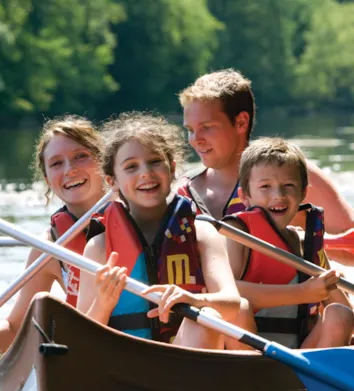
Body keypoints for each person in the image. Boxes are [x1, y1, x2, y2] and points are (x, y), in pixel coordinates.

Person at [77, 113, 257, 350]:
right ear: (112, 181)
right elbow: (79, 337)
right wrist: (103, 303)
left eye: (154, 161)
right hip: (127, 365)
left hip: (185, 360)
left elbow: (232, 303)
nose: (145, 173)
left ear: (172, 169)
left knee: (205, 318)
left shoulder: (201, 233)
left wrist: (192, 300)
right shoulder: (99, 247)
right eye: (131, 166)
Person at [0, 116, 107, 356]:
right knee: (44, 306)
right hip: (92, 353)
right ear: (48, 179)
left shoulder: (138, 217)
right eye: (57, 163)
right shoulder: (48, 246)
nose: (70, 170)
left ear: (104, 162)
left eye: (81, 156)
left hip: (149, 347)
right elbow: (14, 330)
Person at [177, 69, 354, 248]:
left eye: (207, 127)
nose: (196, 140)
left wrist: (306, 242)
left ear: (241, 122)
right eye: (190, 130)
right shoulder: (182, 192)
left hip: (296, 283)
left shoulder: (291, 174)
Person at [222, 137, 354, 349]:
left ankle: (314, 378)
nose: (278, 195)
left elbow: (346, 312)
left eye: (288, 185)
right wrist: (303, 292)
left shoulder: (306, 242)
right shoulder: (237, 233)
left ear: (303, 193)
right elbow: (226, 292)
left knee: (340, 313)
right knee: (239, 307)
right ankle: (251, 377)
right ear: (245, 196)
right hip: (249, 354)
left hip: (300, 355)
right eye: (265, 186)